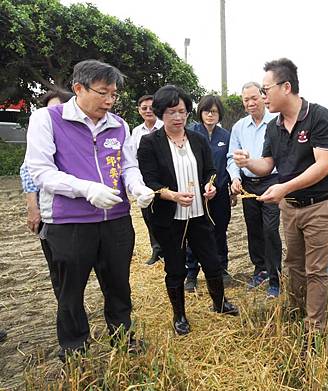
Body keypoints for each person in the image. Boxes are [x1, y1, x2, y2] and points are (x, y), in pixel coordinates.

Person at [25, 60, 155, 361]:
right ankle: (74, 347)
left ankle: (122, 338)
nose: (109, 100)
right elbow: (41, 171)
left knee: (119, 284)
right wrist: (86, 189)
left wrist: (137, 187)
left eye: (114, 94)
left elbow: (128, 166)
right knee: (70, 290)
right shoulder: (48, 119)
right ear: (79, 89)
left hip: (116, 220)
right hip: (70, 222)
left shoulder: (118, 125)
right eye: (103, 93)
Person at [233, 58, 328, 332]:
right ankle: (296, 313)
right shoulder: (274, 127)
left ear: (286, 87)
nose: (263, 96)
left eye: (266, 90)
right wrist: (247, 163)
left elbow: (324, 165)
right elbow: (267, 164)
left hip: (320, 206)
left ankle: (314, 329)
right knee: (294, 265)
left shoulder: (319, 116)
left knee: (316, 270)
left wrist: (284, 188)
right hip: (291, 208)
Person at [138, 85, 239, 336]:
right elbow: (148, 179)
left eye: (182, 111)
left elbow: (210, 170)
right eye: (171, 112)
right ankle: (179, 315)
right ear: (161, 113)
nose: (178, 117)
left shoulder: (197, 139)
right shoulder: (150, 143)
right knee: (175, 268)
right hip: (169, 217)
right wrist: (170, 195)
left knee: (212, 262)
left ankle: (220, 303)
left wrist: (210, 185)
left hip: (198, 214)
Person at [227, 82, 282, 298]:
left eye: (254, 98)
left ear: (263, 96)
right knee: (253, 229)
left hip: (272, 180)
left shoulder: (276, 122)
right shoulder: (239, 127)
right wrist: (234, 178)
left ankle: (275, 276)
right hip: (248, 185)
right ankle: (259, 270)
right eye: (246, 100)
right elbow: (232, 157)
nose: (250, 103)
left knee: (270, 229)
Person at [20, 88, 74, 299]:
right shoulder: (40, 136)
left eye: (58, 109)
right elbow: (28, 171)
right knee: (59, 270)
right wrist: (33, 209)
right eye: (48, 110)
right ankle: (67, 312)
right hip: (52, 214)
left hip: (83, 215)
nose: (52, 115)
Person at [185, 95, 232, 290]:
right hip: (197, 193)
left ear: (219, 114)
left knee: (220, 230)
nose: (210, 115)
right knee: (195, 232)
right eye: (206, 111)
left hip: (220, 192)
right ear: (200, 113)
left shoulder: (226, 136)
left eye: (214, 111)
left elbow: (229, 163)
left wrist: (233, 192)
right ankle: (192, 272)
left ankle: (221, 268)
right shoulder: (191, 133)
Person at [131, 95, 164, 265]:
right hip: (143, 182)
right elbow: (132, 157)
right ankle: (156, 249)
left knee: (166, 214)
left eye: (151, 107)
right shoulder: (136, 132)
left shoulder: (165, 127)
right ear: (139, 110)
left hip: (163, 180)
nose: (148, 111)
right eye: (144, 108)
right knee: (148, 216)